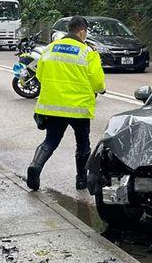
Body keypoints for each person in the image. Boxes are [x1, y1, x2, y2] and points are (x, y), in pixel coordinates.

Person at [27, 15, 106, 191]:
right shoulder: (87, 52)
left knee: (50, 141)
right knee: (83, 144)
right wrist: (99, 89)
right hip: (78, 108)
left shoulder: (49, 49)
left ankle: (35, 166)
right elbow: (98, 83)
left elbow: (39, 75)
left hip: (53, 107)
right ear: (82, 31)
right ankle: (81, 180)